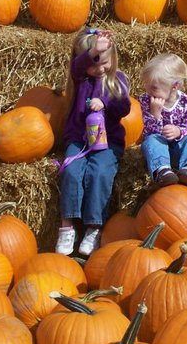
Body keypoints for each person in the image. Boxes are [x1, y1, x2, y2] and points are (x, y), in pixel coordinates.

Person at [55, 27, 131, 256]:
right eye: (93, 63)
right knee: (71, 170)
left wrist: (106, 103)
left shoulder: (118, 79)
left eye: (104, 62)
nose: (99, 69)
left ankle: (93, 227)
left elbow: (125, 108)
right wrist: (93, 52)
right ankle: (67, 227)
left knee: (99, 172)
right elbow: (78, 66)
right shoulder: (80, 79)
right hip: (79, 140)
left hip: (108, 142)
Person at [138, 53, 187, 187]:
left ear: (175, 86)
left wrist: (179, 132)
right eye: (147, 85)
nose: (148, 90)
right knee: (152, 141)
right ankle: (163, 171)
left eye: (154, 87)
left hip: (179, 148)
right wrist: (155, 115)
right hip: (158, 149)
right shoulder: (145, 100)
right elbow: (146, 132)